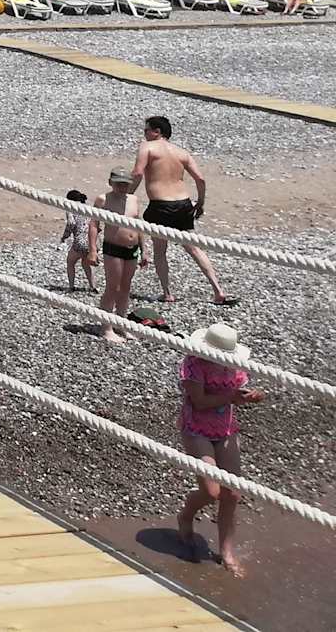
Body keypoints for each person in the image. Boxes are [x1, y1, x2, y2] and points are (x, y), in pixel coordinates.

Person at [175, 321, 262, 577]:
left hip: (225, 429)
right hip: (196, 427)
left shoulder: (234, 366)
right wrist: (231, 398)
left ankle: (227, 551)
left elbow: (239, 392)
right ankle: (185, 515)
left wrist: (254, 396)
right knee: (211, 491)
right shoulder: (193, 364)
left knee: (232, 493)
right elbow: (200, 402)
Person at [132, 115, 238, 305]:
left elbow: (138, 173)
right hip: (183, 204)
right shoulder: (182, 152)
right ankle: (218, 290)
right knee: (194, 248)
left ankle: (167, 293)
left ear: (157, 131)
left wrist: (128, 195)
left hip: (160, 205)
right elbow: (200, 179)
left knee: (160, 251)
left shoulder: (147, 147)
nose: (144, 134)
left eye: (146, 130)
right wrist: (201, 203)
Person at [96, 168, 143, 342]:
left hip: (132, 248)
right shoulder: (103, 199)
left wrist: (144, 249)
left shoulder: (133, 199)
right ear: (111, 183)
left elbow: (138, 225)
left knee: (125, 288)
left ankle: (121, 324)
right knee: (112, 288)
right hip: (113, 247)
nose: (122, 187)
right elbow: (94, 224)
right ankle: (106, 327)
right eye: (119, 184)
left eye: (125, 184)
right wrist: (92, 249)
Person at [62, 189, 97, 293]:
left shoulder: (71, 209)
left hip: (80, 241)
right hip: (92, 242)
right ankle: (93, 287)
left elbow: (71, 223)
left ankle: (71, 286)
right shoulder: (88, 208)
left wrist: (65, 236)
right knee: (86, 263)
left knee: (70, 262)